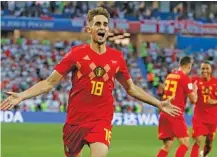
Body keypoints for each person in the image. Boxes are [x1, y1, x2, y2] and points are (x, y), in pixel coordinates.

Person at [1, 7, 181, 157]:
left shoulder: (117, 58)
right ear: (89, 29)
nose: (102, 27)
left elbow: (131, 89)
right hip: (75, 121)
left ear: (108, 30)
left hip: (101, 120)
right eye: (98, 24)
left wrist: (158, 103)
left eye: (105, 24)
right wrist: (22, 96)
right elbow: (49, 83)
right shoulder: (76, 54)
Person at [156, 56, 198, 157]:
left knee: (167, 146)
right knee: (185, 143)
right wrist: (195, 90)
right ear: (188, 65)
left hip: (164, 113)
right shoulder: (184, 78)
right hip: (174, 113)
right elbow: (193, 100)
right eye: (190, 66)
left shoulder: (170, 75)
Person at [190, 61, 217, 157]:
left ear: (211, 70)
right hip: (199, 116)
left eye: (207, 68)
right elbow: (186, 88)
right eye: (203, 68)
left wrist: (214, 101)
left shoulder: (216, 82)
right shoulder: (194, 80)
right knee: (197, 140)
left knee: (209, 144)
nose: (205, 70)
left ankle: (204, 155)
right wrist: (193, 93)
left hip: (212, 117)